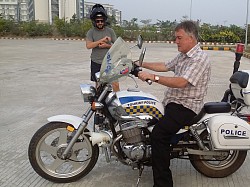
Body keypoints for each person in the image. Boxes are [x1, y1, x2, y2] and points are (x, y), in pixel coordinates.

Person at [137, 20, 211, 187]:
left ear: (191, 38)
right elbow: (165, 66)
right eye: (175, 38)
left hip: (186, 107)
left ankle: (163, 184)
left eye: (179, 38)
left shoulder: (199, 58)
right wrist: (140, 64)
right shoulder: (184, 55)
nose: (175, 41)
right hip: (173, 102)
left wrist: (152, 77)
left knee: (158, 135)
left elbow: (181, 82)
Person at [86, 4, 119, 91]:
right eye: (97, 21)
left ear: (104, 20)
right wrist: (101, 40)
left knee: (115, 84)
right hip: (96, 62)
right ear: (94, 21)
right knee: (99, 85)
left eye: (101, 21)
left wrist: (107, 45)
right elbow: (88, 46)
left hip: (109, 62)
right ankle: (100, 103)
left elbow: (117, 46)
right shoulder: (91, 32)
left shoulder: (110, 31)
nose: (100, 23)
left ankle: (118, 102)